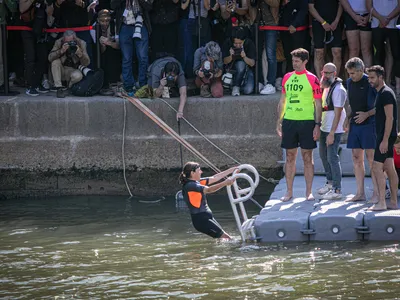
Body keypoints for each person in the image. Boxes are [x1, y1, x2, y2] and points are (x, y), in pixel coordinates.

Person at [276, 48, 323, 202]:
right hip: (290, 120)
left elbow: (318, 103)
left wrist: (317, 124)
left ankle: (308, 192)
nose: (294, 64)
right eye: (293, 61)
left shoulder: (312, 78)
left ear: (305, 62)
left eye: (297, 61)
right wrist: (279, 121)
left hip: (307, 121)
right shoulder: (287, 77)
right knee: (290, 156)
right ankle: (289, 192)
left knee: (307, 157)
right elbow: (283, 100)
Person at [343, 57, 378, 203]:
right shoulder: (350, 82)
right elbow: (352, 103)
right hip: (356, 124)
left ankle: (377, 193)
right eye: (349, 73)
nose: (350, 76)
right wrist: (347, 117)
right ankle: (360, 193)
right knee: (356, 158)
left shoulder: (371, 82)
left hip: (370, 124)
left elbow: (382, 106)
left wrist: (367, 114)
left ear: (361, 70)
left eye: (353, 73)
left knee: (372, 160)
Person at [367, 65, 398, 211]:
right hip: (384, 135)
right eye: (370, 78)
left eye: (373, 78)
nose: (370, 81)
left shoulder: (385, 93)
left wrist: (385, 140)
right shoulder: (380, 93)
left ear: (381, 77)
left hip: (386, 136)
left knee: (377, 167)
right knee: (390, 168)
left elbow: (390, 118)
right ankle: (393, 202)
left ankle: (381, 202)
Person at [179, 162, 238, 239]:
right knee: (228, 238)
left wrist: (231, 170)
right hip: (201, 220)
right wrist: (225, 183)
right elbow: (209, 190)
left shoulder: (197, 182)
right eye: (199, 170)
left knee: (222, 239)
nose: (201, 172)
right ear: (192, 173)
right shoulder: (190, 186)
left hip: (206, 218)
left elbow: (214, 178)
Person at [317, 63, 347, 200]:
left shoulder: (338, 89)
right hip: (324, 126)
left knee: (332, 157)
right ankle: (329, 183)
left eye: (329, 73)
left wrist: (332, 133)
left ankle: (337, 189)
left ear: (335, 74)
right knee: (323, 155)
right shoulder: (326, 87)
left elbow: (338, 113)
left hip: (333, 129)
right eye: (324, 72)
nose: (326, 75)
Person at [111, 0, 153, 95]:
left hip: (141, 25)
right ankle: (128, 86)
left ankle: (143, 85)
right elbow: (113, 5)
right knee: (126, 58)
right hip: (125, 26)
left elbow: (149, 7)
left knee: (143, 57)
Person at [366, 0, 400, 96]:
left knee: (395, 54)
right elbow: (369, 5)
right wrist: (381, 19)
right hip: (377, 24)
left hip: (393, 24)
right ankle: (379, 85)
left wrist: (388, 18)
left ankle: (392, 83)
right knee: (379, 54)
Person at [48, 30, 90, 98]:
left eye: (71, 42)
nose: (69, 44)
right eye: (66, 42)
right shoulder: (59, 42)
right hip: (62, 69)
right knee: (55, 62)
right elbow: (50, 58)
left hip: (73, 69)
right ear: (63, 39)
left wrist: (80, 54)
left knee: (78, 76)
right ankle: (59, 89)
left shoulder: (82, 43)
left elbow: (87, 63)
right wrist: (61, 51)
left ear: (75, 39)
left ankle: (69, 88)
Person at [308, 0, 343, 76]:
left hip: (335, 22)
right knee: (319, 53)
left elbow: (341, 3)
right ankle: (321, 82)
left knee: (337, 52)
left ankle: (334, 80)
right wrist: (323, 22)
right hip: (318, 22)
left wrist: (336, 21)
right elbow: (311, 7)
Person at [222, 27, 256, 96]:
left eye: (240, 43)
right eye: (235, 43)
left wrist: (244, 57)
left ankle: (236, 86)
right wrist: (230, 57)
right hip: (231, 70)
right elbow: (224, 61)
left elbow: (252, 63)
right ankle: (236, 86)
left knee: (248, 90)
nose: (237, 46)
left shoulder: (249, 43)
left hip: (246, 71)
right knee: (240, 65)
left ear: (244, 40)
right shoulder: (228, 42)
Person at [339, 0, 372, 67]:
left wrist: (369, 16)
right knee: (354, 49)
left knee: (366, 49)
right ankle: (352, 75)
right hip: (350, 15)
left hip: (368, 15)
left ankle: (369, 75)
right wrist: (354, 16)